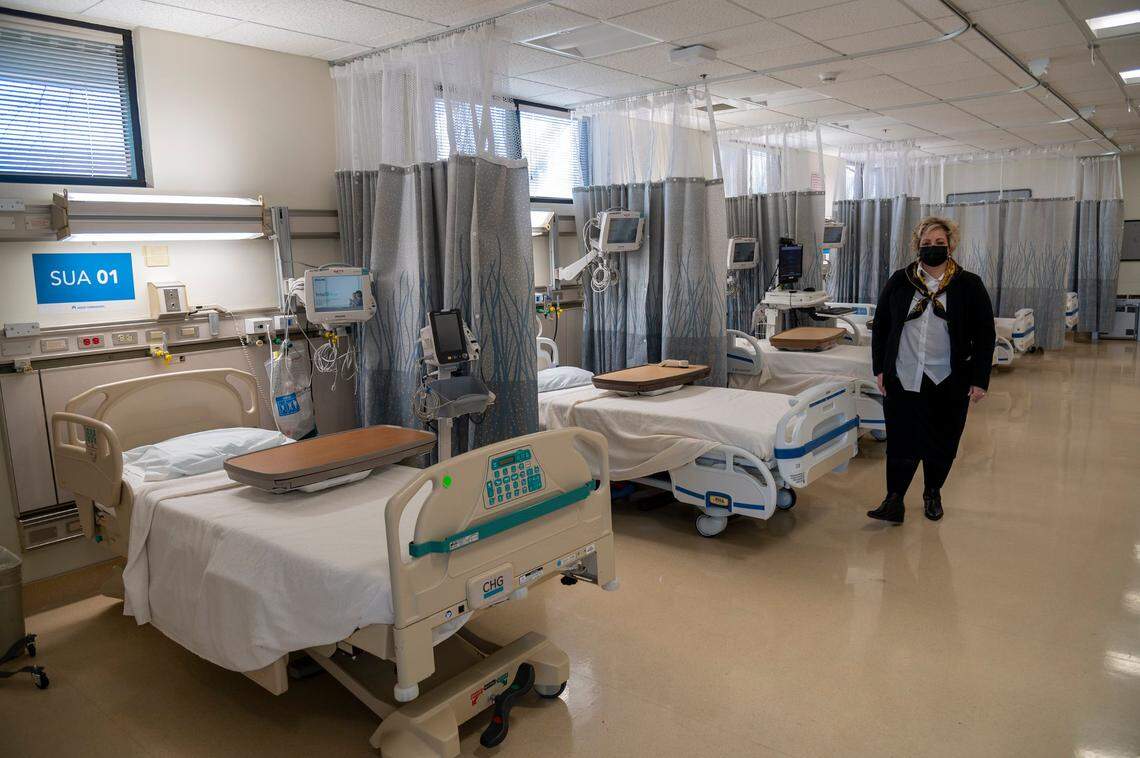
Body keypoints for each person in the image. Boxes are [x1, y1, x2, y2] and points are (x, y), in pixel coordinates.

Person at [867, 216, 995, 524]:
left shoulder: (968, 285)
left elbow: (985, 334)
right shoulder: (901, 280)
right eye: (927, 244)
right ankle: (894, 499)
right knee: (901, 440)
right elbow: (882, 326)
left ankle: (932, 493)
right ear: (917, 247)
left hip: (949, 379)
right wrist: (881, 368)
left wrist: (979, 380)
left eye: (939, 243)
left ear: (951, 246)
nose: (933, 248)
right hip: (904, 374)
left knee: (942, 440)